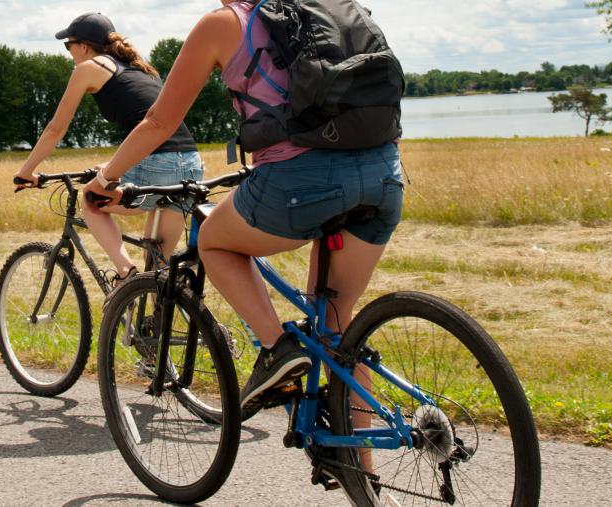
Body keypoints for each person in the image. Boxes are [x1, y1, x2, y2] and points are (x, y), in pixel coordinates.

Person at [84, 1, 405, 413]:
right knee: (336, 328)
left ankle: (277, 348)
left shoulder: (224, 23)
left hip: (299, 183)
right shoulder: (334, 10)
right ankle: (357, 470)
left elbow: (160, 122)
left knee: (215, 241)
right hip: (384, 176)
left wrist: (107, 176)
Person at [14, 13, 204, 285]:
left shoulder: (89, 67)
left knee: (92, 200)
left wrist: (26, 171)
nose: (69, 53)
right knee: (158, 272)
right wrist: (112, 167)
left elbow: (56, 128)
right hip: (191, 164)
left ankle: (126, 274)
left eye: (68, 46)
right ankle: (153, 319)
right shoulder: (140, 69)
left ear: (83, 46)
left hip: (155, 161)